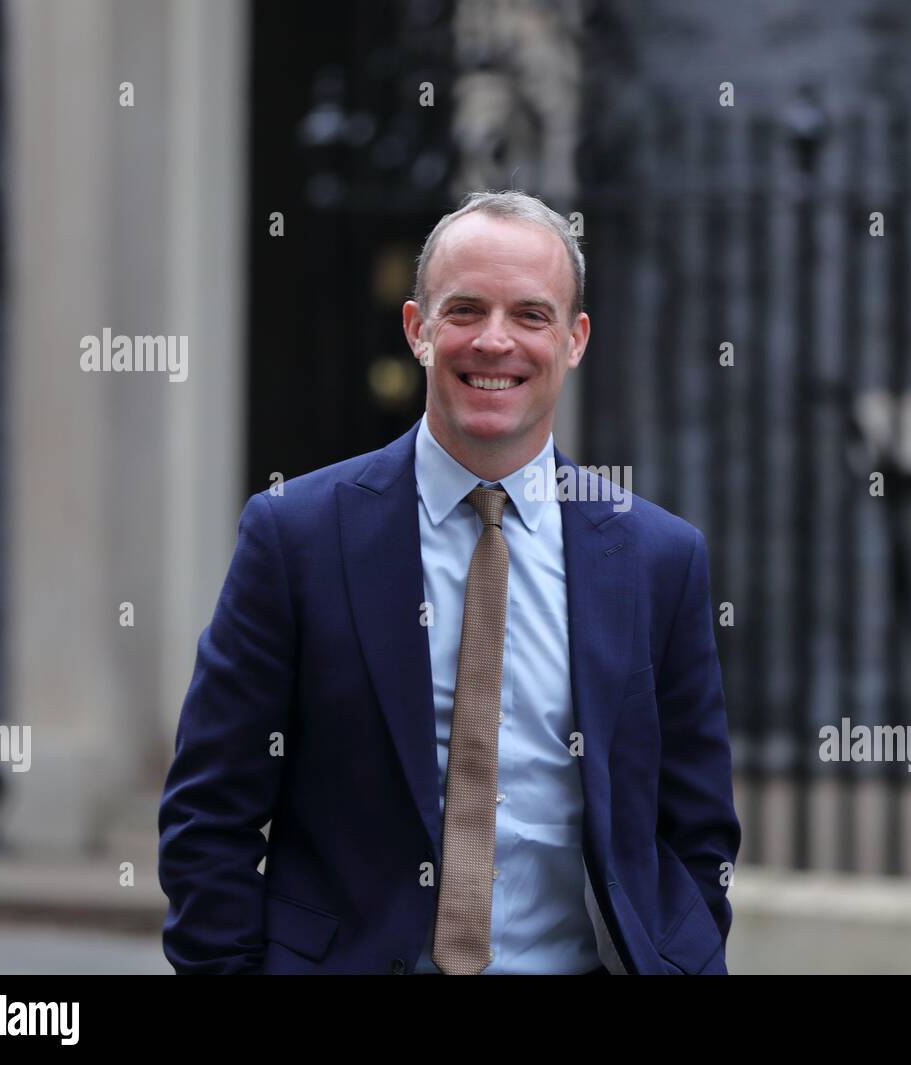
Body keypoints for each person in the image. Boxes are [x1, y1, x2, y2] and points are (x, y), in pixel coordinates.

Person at [157, 189, 741, 975]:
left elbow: (696, 831)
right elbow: (207, 817)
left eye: (530, 315)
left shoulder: (660, 559)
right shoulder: (294, 536)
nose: (494, 341)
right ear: (418, 329)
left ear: (574, 340)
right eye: (464, 310)